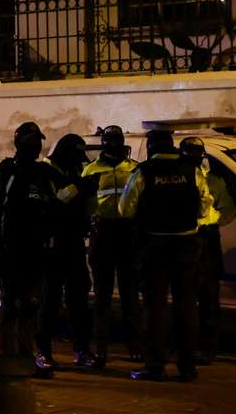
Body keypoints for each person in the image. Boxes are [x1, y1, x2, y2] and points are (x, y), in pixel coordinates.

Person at [119, 129, 211, 383]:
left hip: (154, 246)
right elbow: (206, 205)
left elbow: (125, 209)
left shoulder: (143, 172)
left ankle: (155, 366)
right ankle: (187, 367)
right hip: (187, 245)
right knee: (186, 306)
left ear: (150, 147)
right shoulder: (193, 170)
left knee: (155, 307)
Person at [0, 121, 60, 378]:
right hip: (12, 252)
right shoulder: (7, 171)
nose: (36, 146)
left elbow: (55, 206)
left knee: (30, 306)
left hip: (35, 253)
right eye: (32, 141)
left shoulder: (43, 174)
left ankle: (26, 359)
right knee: (10, 306)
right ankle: (9, 360)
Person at [82, 124, 142, 366]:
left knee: (130, 296)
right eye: (110, 140)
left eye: (117, 140)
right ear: (103, 143)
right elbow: (83, 203)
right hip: (103, 232)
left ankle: (134, 347)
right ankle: (101, 349)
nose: (114, 144)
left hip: (128, 234)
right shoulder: (91, 170)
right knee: (102, 297)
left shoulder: (134, 169)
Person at [36, 133, 97, 369]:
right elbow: (53, 204)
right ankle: (43, 352)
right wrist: (78, 187)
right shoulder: (45, 172)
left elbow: (83, 208)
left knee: (79, 300)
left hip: (72, 244)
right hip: (52, 246)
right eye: (75, 157)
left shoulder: (72, 172)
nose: (79, 163)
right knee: (49, 301)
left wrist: (89, 192)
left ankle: (82, 349)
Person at [183, 136, 236, 365]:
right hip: (183, 240)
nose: (194, 162)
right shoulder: (179, 179)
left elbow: (228, 210)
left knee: (208, 298)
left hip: (205, 241)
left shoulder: (214, 181)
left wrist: (209, 222)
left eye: (197, 157)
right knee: (184, 298)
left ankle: (207, 346)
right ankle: (186, 345)